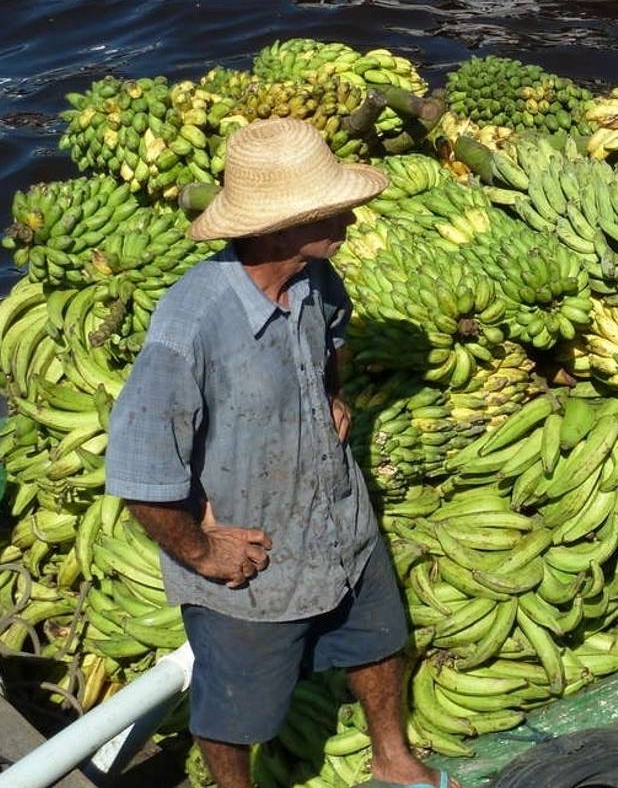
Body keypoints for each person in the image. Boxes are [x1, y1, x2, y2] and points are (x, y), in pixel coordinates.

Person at [104, 118, 456, 788]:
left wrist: (329, 392)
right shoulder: (191, 326)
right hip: (254, 559)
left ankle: (392, 757)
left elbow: (334, 337)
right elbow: (139, 472)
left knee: (380, 643)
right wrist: (206, 551)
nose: (349, 219)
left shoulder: (314, 278)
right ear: (276, 227)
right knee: (238, 708)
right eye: (330, 211)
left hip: (339, 518)